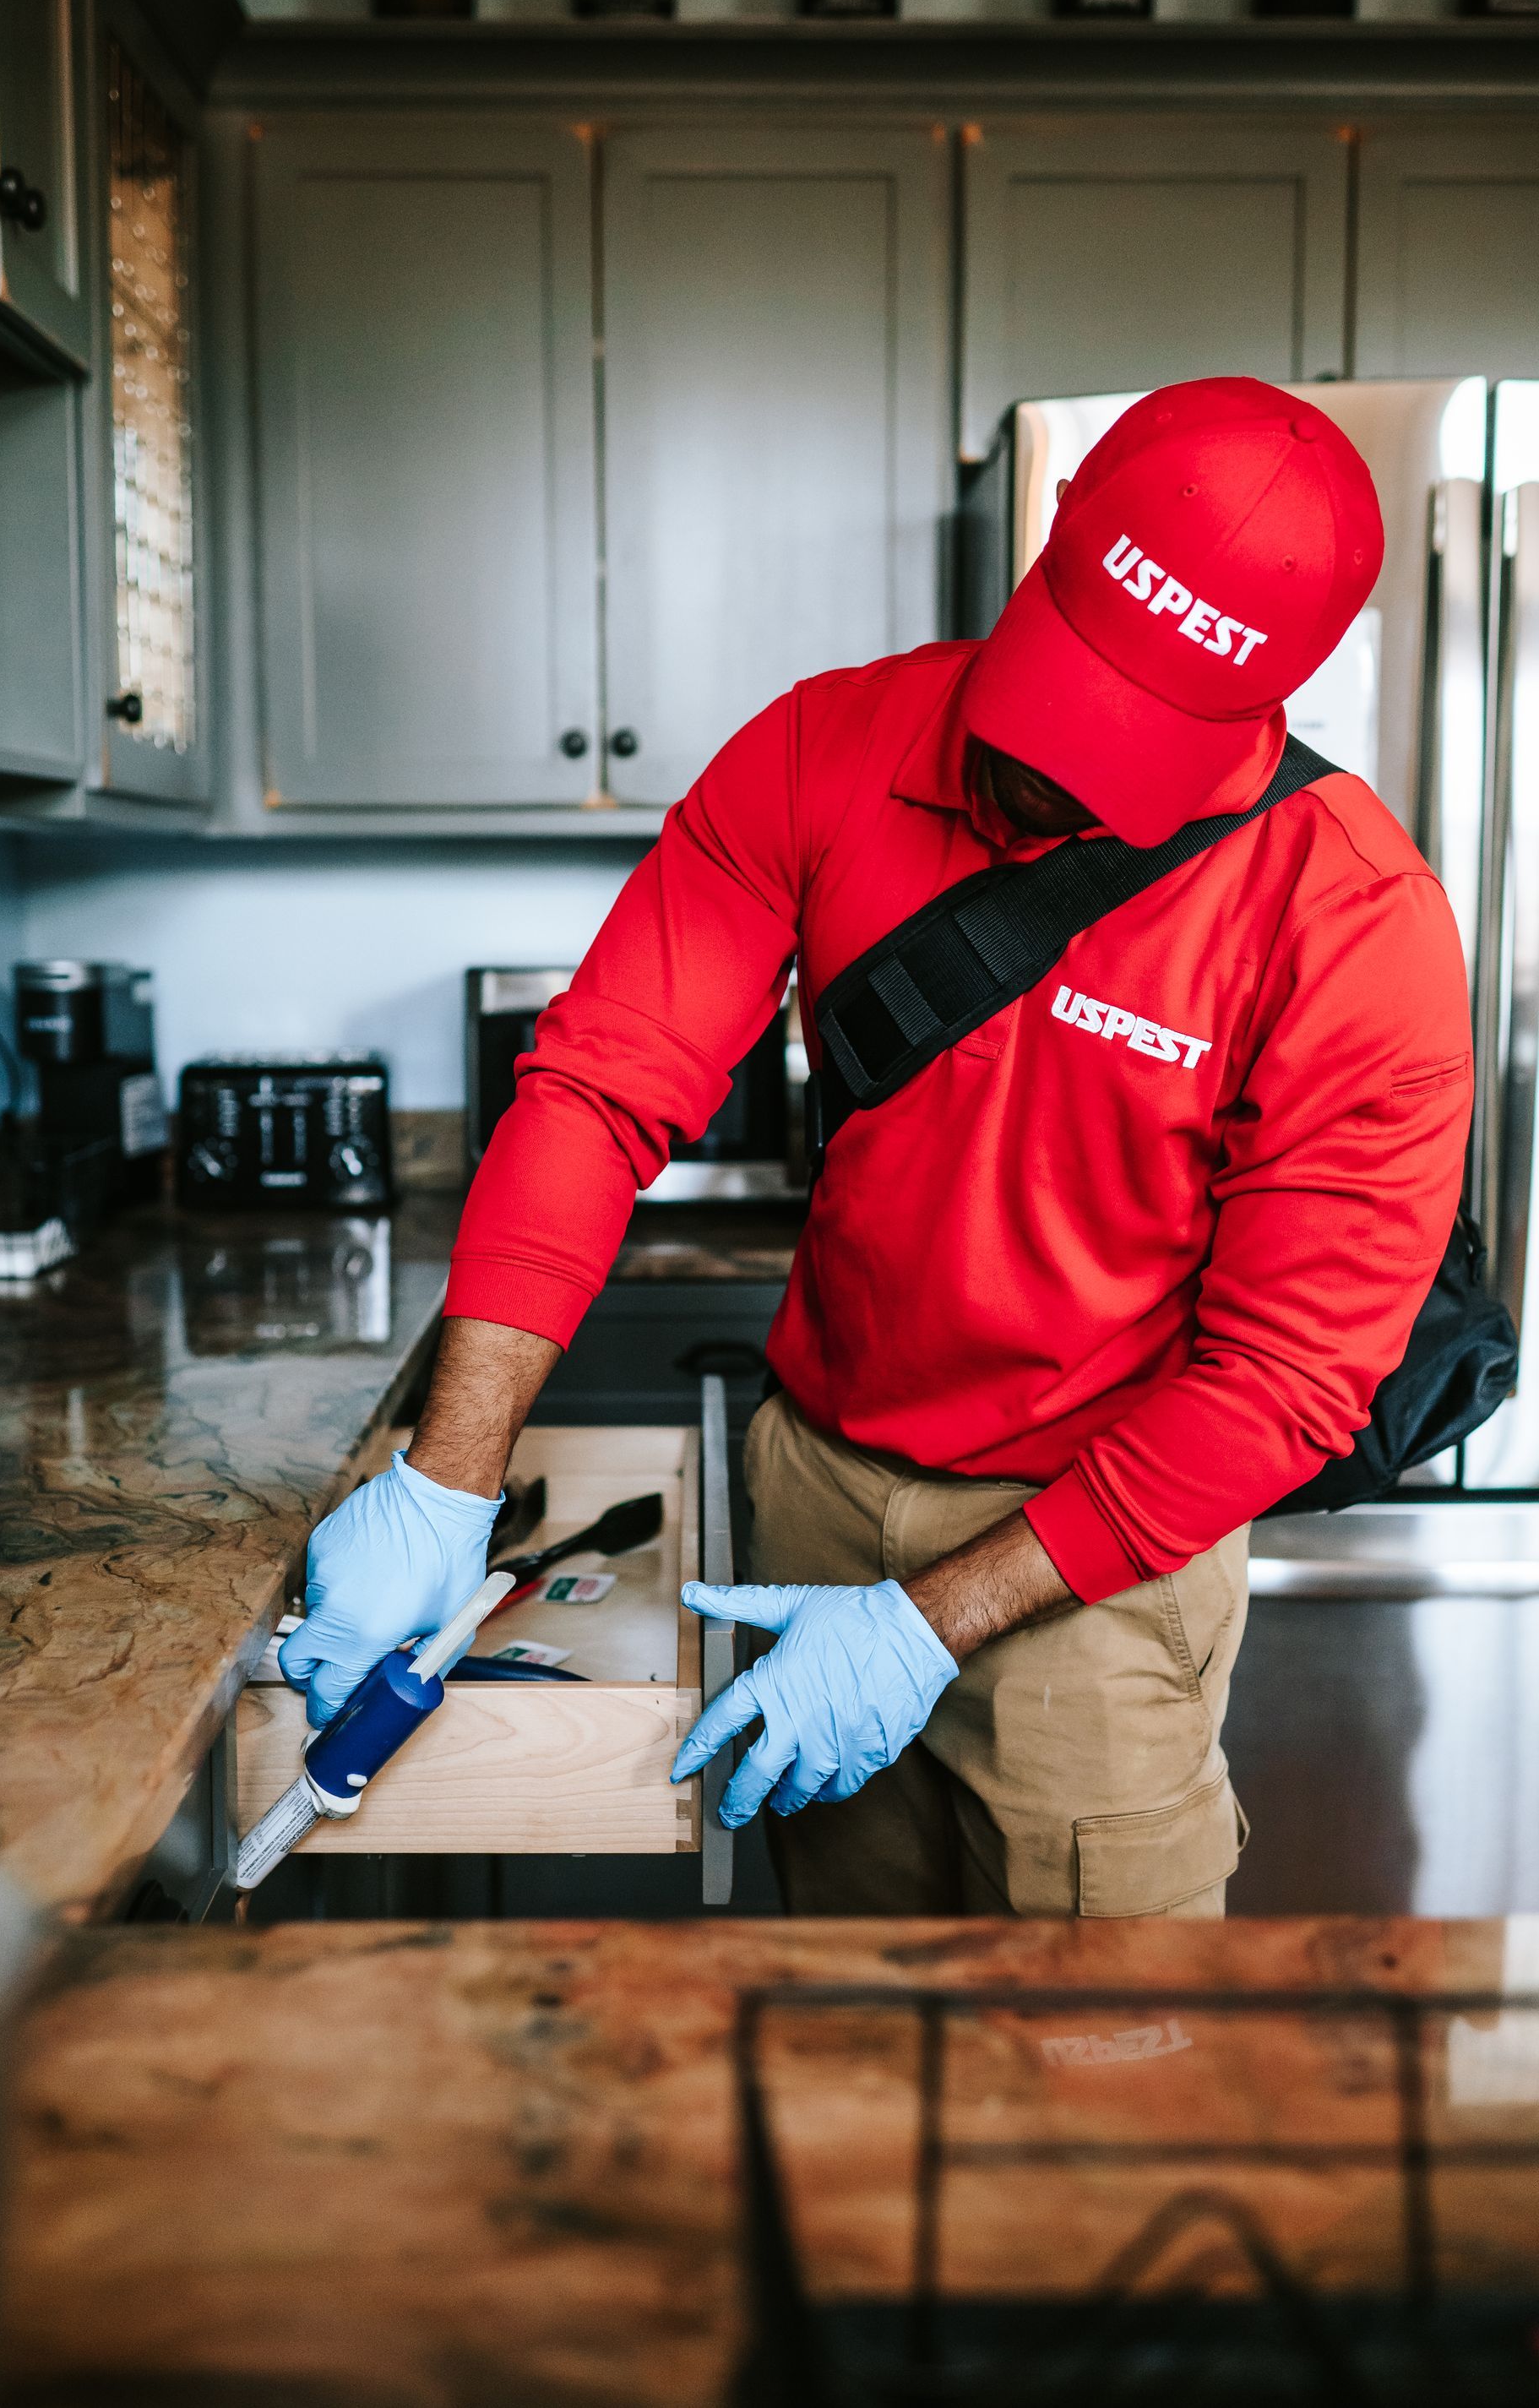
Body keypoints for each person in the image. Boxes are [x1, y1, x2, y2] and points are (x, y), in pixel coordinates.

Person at [280, 377, 1473, 1920]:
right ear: (1054, 545)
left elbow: (1286, 1381)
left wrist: (931, 1622)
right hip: (815, 1496)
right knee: (849, 2017)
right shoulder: (824, 746)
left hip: (1094, 1559)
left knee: (1092, 2080)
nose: (1050, 774)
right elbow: (598, 1086)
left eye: (1137, 734)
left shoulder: (1353, 922)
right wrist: (449, 1480)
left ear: (1274, 697)